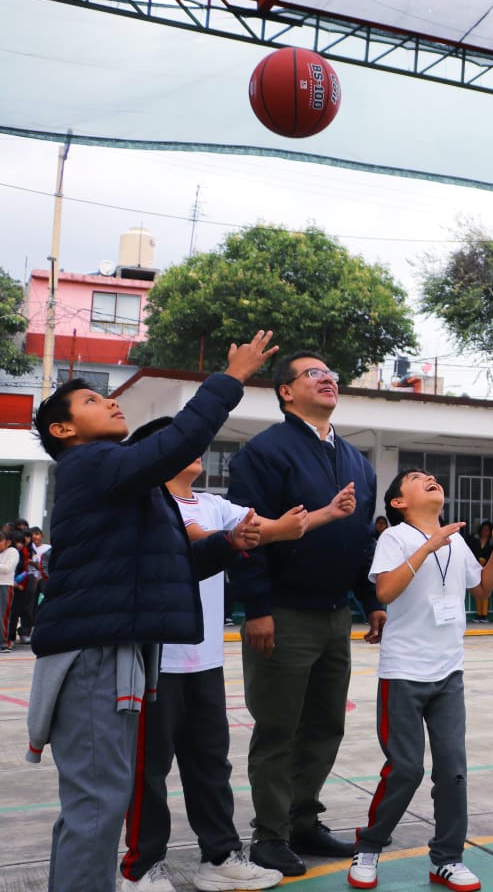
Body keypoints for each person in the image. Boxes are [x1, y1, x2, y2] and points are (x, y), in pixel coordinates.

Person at [25, 332, 277, 892]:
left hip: (114, 650)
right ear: (64, 431)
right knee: (99, 801)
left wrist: (227, 546)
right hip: (93, 654)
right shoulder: (93, 463)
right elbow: (173, 443)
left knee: (99, 799)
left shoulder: (122, 486)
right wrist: (230, 378)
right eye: (91, 400)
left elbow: (169, 564)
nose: (110, 401)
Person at [118, 416, 322, 892]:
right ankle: (142, 866)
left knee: (210, 764)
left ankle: (220, 856)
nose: (196, 450)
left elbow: (268, 528)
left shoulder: (212, 504)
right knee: (150, 769)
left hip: (205, 659)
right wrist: (251, 535)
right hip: (156, 662)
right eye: (183, 443)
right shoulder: (145, 503)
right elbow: (196, 538)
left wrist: (321, 515)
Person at [227, 350, 384, 877]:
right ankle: (269, 835)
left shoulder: (357, 461)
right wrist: (257, 609)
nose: (328, 380)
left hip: (336, 614)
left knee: (324, 725)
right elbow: (246, 536)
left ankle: (302, 820)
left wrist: (374, 602)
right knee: (277, 729)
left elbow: (363, 542)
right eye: (313, 374)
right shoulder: (264, 453)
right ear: (286, 391)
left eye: (332, 375)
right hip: (283, 614)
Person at [346, 472, 493, 892]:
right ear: (399, 502)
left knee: (453, 770)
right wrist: (427, 547)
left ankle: (447, 858)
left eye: (432, 477)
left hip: (448, 673)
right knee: (405, 769)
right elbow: (384, 590)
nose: (431, 479)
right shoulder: (396, 538)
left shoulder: (456, 540)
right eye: (419, 479)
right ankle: (368, 847)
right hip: (404, 672)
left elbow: (483, 588)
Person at [470, 521, 493, 623]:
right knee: (477, 590)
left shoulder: (491, 542)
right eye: (483, 529)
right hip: (476, 567)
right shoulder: (476, 540)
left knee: (485, 591)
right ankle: (478, 614)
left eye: (487, 530)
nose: (485, 532)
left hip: (487, 568)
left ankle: (484, 614)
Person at [0, 530, 19, 653]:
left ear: (8, 542)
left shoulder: (13, 552)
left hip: (5, 585)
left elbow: (7, 569)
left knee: (3, 616)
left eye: (0, 540)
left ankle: (4, 643)